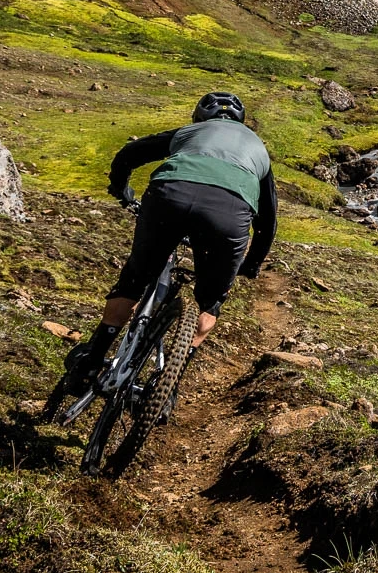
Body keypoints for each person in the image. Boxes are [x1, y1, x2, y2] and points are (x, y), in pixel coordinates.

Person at [61, 91, 277, 391]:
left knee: (134, 280)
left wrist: (120, 189)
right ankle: (168, 386)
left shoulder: (189, 132)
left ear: (199, 118)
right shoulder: (259, 149)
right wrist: (250, 265)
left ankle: (92, 360)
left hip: (168, 197)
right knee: (209, 305)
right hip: (228, 214)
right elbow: (267, 221)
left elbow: (130, 154)